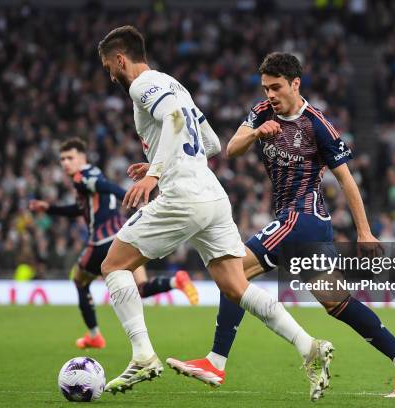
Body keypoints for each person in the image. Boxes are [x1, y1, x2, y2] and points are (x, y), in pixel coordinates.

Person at [165, 52, 395, 398]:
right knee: (336, 302)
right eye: (265, 87)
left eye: (276, 87)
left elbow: (347, 180)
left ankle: (216, 360)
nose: (270, 94)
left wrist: (364, 231)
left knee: (232, 274)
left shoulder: (317, 124)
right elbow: (231, 149)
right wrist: (258, 133)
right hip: (304, 224)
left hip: (300, 219)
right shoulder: (261, 112)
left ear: (295, 84)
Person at [98, 26, 333, 401]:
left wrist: (157, 172)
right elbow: (209, 143)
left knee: (113, 266)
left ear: (120, 58)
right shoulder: (175, 85)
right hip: (211, 195)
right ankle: (309, 346)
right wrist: (162, 159)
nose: (110, 74)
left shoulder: (142, 85)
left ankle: (142, 356)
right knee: (235, 286)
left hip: (183, 196)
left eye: (109, 65)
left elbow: (175, 121)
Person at [29, 138, 198, 350]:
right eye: (62, 159)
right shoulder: (94, 173)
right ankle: (176, 282)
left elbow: (106, 186)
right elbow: (80, 208)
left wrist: (129, 195)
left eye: (70, 158)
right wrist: (49, 208)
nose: (65, 163)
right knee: (141, 288)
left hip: (101, 241)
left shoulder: (82, 176)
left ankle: (94, 336)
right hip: (125, 238)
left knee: (80, 281)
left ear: (82, 158)